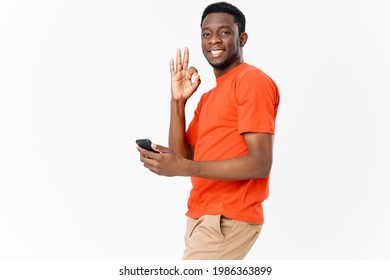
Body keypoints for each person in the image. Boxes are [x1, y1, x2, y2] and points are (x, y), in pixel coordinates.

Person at [136, 1, 280, 260]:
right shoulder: (210, 97)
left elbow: (260, 163)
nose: (214, 40)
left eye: (224, 32)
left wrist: (184, 167)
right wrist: (178, 102)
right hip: (202, 218)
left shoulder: (251, 81)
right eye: (206, 34)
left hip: (226, 219)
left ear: (242, 38)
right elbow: (185, 156)